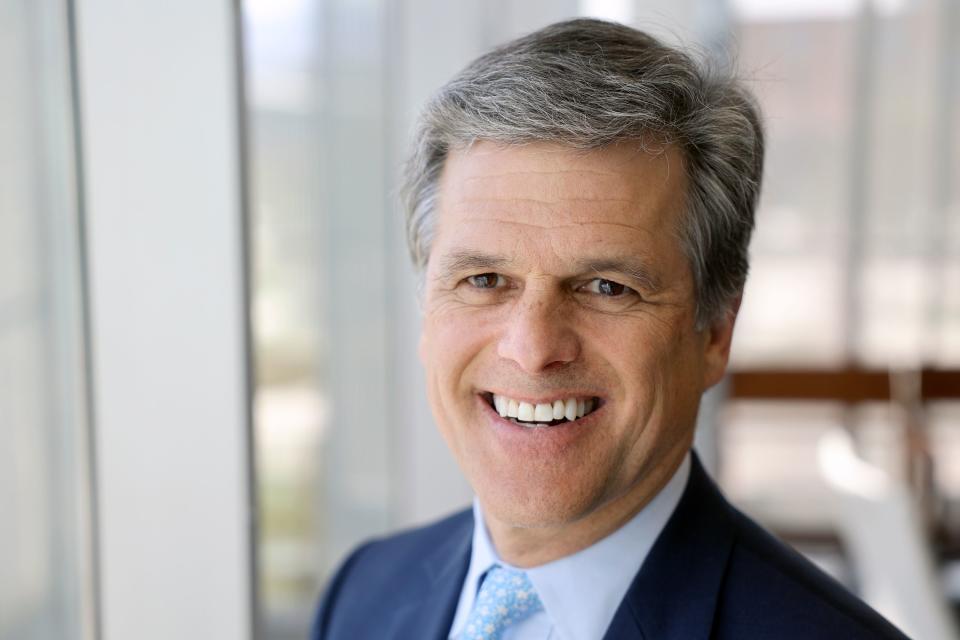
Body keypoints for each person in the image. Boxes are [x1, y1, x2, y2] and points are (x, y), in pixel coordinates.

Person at [312, 18, 909, 640]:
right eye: (485, 279)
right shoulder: (365, 592)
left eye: (607, 288)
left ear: (714, 334)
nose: (533, 348)